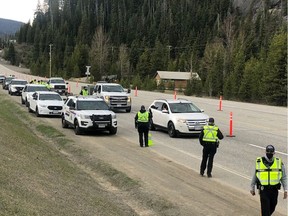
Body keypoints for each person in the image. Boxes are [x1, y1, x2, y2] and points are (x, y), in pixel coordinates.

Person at [250, 145, 287, 216]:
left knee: (273, 206)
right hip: (264, 190)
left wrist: (286, 189)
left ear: (274, 153)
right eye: (268, 152)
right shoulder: (259, 162)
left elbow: (284, 177)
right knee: (265, 211)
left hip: (274, 190)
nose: (269, 153)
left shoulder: (279, 162)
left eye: (271, 152)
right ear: (265, 152)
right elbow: (255, 175)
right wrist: (252, 187)